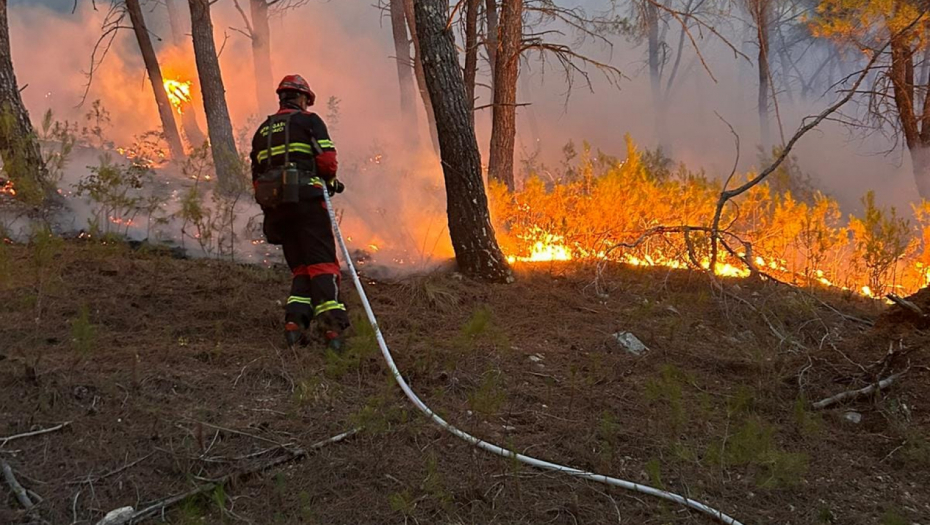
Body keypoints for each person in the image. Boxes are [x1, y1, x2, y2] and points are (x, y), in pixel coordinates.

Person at [249, 74, 349, 351]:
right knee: (323, 264)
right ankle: (332, 328)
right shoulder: (310, 121)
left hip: (276, 207)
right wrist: (329, 181)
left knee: (301, 267)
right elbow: (327, 161)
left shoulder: (263, 130)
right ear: (303, 98)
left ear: (282, 97)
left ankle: (295, 323)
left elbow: (256, 175)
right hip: (307, 202)